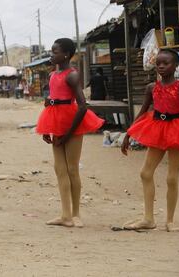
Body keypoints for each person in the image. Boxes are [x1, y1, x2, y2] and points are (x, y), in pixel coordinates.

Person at [120, 48, 179, 232]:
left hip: (177, 131)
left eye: (166, 63)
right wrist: (128, 133)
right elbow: (142, 112)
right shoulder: (151, 88)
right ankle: (148, 218)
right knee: (145, 173)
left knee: (172, 177)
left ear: (176, 65)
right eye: (158, 63)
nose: (161, 66)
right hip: (156, 128)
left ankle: (170, 221)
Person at [35, 38, 104, 228]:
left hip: (72, 123)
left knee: (72, 169)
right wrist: (47, 120)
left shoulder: (72, 75)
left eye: (55, 51)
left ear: (66, 54)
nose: (51, 54)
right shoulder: (52, 75)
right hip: (55, 121)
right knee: (60, 169)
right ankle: (65, 214)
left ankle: (76, 214)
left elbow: (82, 106)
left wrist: (68, 133)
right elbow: (54, 98)